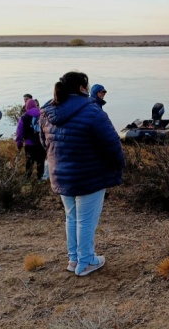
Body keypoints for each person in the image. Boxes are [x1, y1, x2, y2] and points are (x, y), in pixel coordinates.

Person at [40, 72, 124, 277]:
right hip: (89, 174)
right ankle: (86, 262)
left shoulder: (47, 111)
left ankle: (74, 259)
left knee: (72, 217)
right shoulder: (92, 111)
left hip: (61, 173)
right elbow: (111, 144)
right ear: (81, 88)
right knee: (86, 220)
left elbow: (45, 142)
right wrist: (118, 166)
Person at [16, 99, 47, 180]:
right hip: (41, 143)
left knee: (29, 162)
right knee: (41, 161)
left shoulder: (23, 117)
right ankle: (40, 178)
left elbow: (19, 132)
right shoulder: (43, 115)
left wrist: (19, 143)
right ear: (36, 106)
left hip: (29, 144)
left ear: (26, 107)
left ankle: (27, 178)